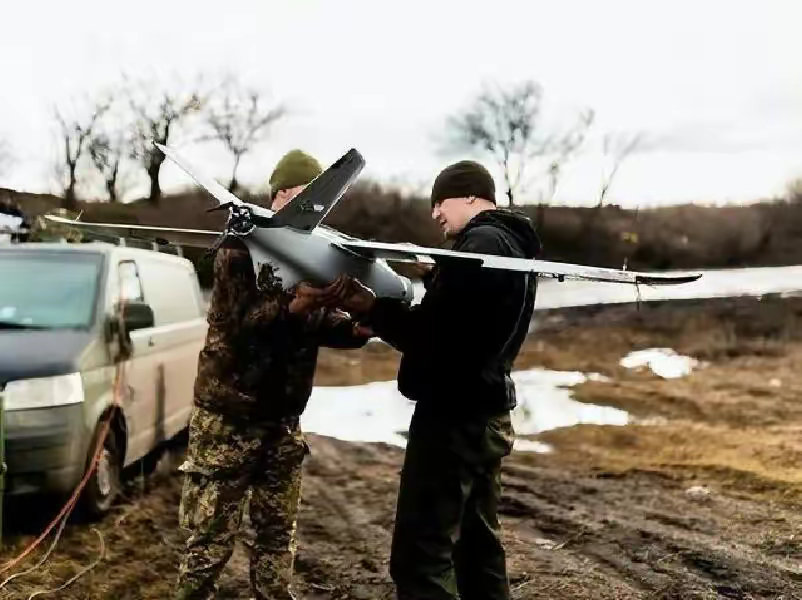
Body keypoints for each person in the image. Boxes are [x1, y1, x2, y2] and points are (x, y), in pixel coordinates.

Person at [329, 160, 541, 600]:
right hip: (486, 412)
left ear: (468, 197)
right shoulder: (512, 245)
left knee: (420, 557)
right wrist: (437, 275)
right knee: (477, 550)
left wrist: (372, 307)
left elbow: (434, 336)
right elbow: (468, 325)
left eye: (439, 202)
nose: (434, 214)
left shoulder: (479, 242)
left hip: (452, 419)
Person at [175, 149, 370, 600]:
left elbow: (312, 325)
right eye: (303, 195)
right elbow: (238, 325)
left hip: (282, 422)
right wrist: (298, 303)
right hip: (229, 418)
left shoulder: (314, 250)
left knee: (277, 535)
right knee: (209, 538)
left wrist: (354, 326)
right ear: (279, 195)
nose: (313, 209)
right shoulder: (239, 246)